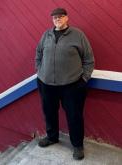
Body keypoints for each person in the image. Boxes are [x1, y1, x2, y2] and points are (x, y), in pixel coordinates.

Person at [35, 8, 94, 160]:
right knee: (49, 112)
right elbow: (38, 54)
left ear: (67, 18)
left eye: (60, 17)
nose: (57, 19)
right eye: (54, 17)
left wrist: (84, 79)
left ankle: (77, 145)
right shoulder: (46, 35)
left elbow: (88, 59)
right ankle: (52, 137)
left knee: (74, 116)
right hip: (46, 84)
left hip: (72, 85)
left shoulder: (78, 35)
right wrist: (40, 71)